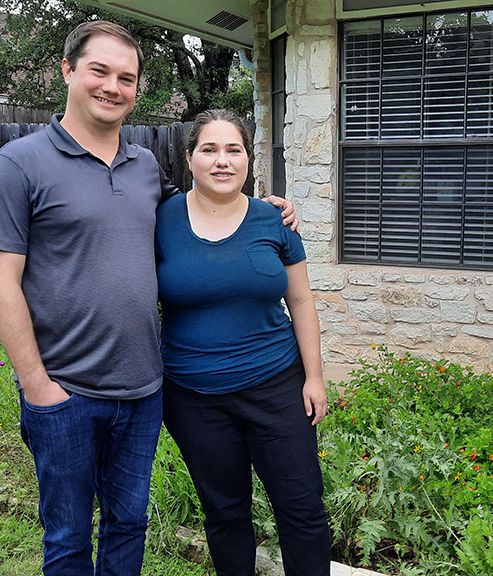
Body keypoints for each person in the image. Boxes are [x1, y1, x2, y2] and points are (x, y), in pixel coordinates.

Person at [0, 22, 295, 576]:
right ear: (68, 71)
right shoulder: (19, 164)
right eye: (99, 71)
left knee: (128, 527)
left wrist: (263, 210)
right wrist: (37, 386)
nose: (112, 86)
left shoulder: (144, 166)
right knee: (69, 538)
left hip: (144, 390)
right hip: (64, 391)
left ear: (137, 88)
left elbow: (200, 211)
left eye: (126, 77)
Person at [156, 109, 331, 576]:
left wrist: (314, 377)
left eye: (234, 150)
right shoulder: (158, 220)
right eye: (209, 150)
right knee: (225, 513)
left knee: (302, 509)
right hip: (193, 398)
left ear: (249, 160)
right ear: (189, 159)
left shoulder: (274, 220)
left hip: (277, 387)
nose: (222, 161)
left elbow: (301, 299)